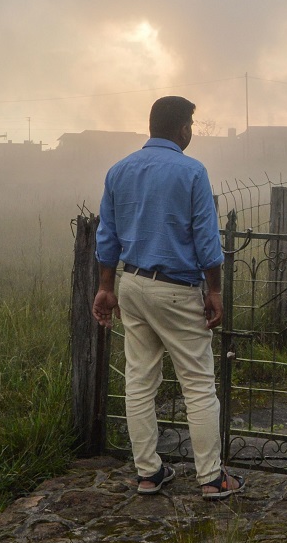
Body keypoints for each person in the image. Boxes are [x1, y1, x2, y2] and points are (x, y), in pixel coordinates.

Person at [92, 95, 244, 499]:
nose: (191, 131)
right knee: (197, 383)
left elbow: (106, 236)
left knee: (139, 381)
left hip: (133, 284)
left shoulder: (119, 171)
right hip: (178, 289)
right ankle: (211, 478)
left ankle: (148, 473)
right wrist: (214, 290)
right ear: (182, 129)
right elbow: (206, 239)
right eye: (191, 124)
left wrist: (107, 287)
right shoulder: (192, 172)